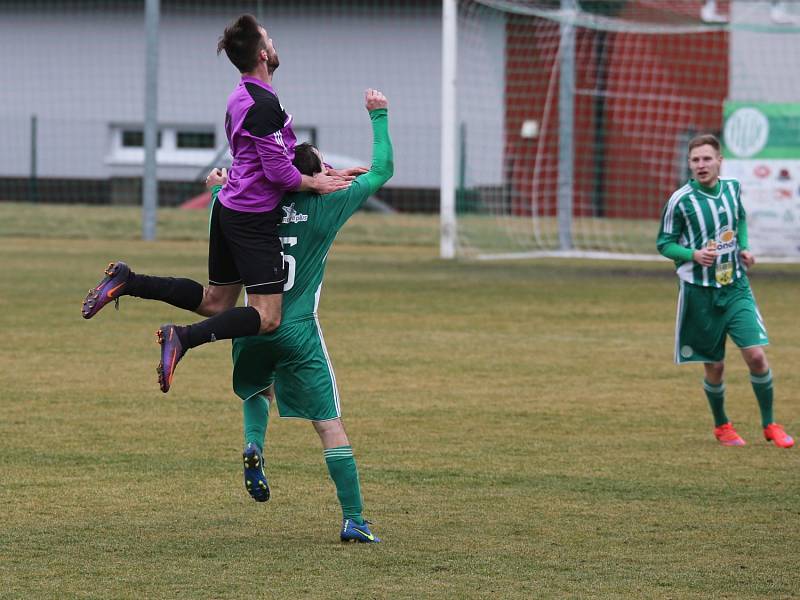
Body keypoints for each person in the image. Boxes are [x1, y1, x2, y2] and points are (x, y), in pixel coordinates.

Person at [81, 14, 356, 393]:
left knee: (216, 302)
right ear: (263, 54)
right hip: (252, 218)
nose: (274, 43)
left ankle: (129, 281)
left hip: (230, 207)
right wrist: (315, 182)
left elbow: (260, 159)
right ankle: (183, 338)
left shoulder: (239, 95)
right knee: (267, 317)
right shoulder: (263, 104)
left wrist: (321, 173)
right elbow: (279, 173)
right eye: (269, 39)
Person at [212, 88, 392, 543]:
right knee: (328, 423)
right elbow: (385, 169)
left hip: (253, 320)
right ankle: (354, 519)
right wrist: (378, 115)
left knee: (256, 385)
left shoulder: (259, 202)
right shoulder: (330, 203)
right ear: (322, 173)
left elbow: (233, 197)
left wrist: (219, 185)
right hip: (297, 329)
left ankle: (254, 443)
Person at [656, 133, 794, 448]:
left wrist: (743, 248)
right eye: (695, 160)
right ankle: (722, 426)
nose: (701, 165)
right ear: (689, 164)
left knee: (757, 356)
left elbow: (740, 219)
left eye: (707, 158)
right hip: (699, 292)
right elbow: (664, 244)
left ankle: (770, 424)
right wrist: (692, 254)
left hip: (734, 286)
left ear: (720, 161)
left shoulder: (731, 189)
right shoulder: (680, 200)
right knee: (715, 365)